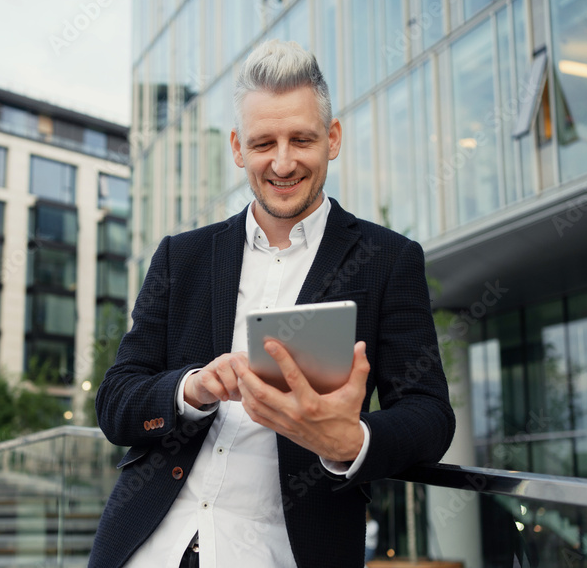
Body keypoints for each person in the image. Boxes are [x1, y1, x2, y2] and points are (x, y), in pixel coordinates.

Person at [90, 40, 454, 568]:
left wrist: (350, 439)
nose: (282, 163)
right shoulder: (181, 257)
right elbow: (115, 401)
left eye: (301, 139)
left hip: (285, 550)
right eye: (264, 144)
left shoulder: (388, 260)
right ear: (239, 149)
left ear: (332, 139)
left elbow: (430, 415)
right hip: (146, 546)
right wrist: (191, 389)